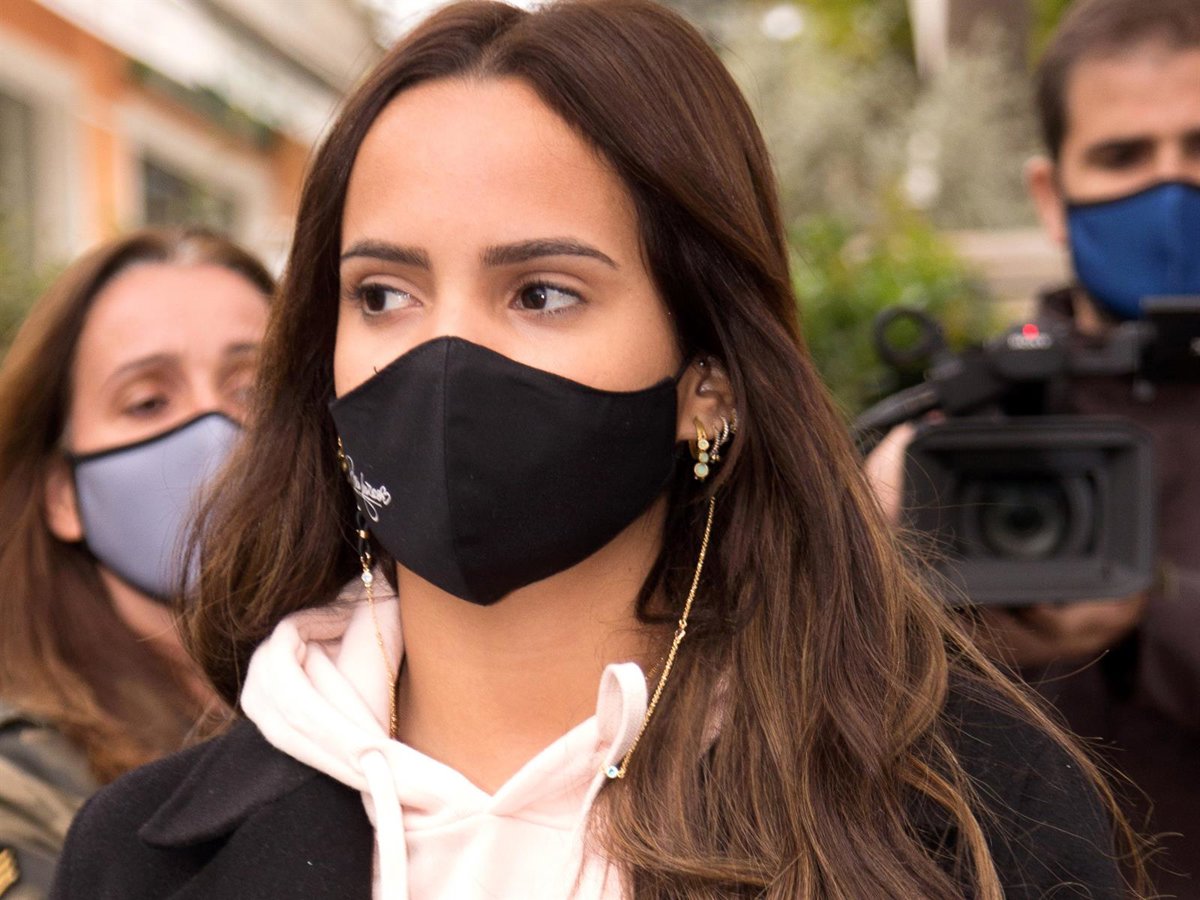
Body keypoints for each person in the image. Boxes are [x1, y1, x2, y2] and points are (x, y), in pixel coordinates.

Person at [51, 3, 1146, 898]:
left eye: (541, 292)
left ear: (708, 384)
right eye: (382, 294)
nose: (443, 357)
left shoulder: (970, 811)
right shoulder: (134, 856)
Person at [869, 0, 1200, 893]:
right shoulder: (964, 433)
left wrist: (1160, 608)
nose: (1172, 191)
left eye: (1198, 148)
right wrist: (882, 568)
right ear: (1052, 196)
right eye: (1124, 157)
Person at [0, 227, 273, 898]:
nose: (215, 431)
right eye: (149, 402)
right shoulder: (23, 780)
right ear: (63, 495)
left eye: (254, 391)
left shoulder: (399, 690)